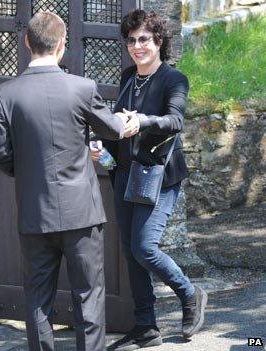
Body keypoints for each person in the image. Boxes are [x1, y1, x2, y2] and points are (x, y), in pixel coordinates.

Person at [0, 12, 136, 351]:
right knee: (89, 297)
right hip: (82, 212)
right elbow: (112, 130)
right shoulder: (82, 88)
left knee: (38, 300)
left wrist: (25, 172)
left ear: (27, 42)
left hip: (34, 213)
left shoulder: (4, 94)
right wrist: (132, 122)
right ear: (62, 45)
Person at [93, 9, 207, 350]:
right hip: (126, 173)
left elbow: (175, 121)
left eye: (144, 39)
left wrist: (142, 121)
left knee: (144, 247)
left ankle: (190, 294)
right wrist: (103, 146)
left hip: (159, 177)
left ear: (159, 41)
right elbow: (119, 126)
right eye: (131, 40)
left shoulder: (174, 79)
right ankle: (146, 327)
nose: (137, 45)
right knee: (130, 252)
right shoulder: (129, 76)